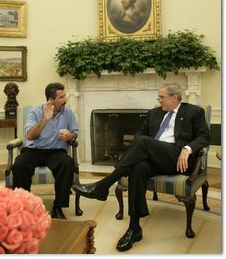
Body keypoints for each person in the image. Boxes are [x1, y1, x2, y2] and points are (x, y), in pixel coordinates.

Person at [73, 82, 210, 252]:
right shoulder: (154, 113)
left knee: (144, 142)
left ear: (174, 97)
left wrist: (187, 149)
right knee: (138, 168)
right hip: (155, 158)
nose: (159, 100)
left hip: (177, 159)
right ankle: (134, 228)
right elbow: (139, 134)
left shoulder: (193, 112)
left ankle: (103, 185)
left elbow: (204, 137)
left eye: (162, 97)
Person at [12, 82, 78, 219]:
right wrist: (45, 120)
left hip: (56, 151)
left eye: (64, 96)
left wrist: (70, 136)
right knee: (19, 164)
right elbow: (30, 135)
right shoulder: (35, 112)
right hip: (34, 151)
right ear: (50, 100)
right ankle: (24, 207)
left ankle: (58, 207)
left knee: (67, 163)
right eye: (61, 97)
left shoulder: (68, 112)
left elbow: (75, 133)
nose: (65, 100)